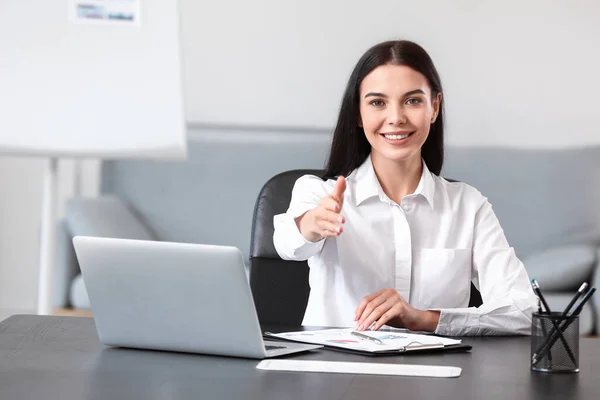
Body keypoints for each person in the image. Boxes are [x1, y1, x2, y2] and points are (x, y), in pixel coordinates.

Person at [273, 40, 538, 336]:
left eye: (412, 101)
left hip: (440, 375)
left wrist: (423, 319)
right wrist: (311, 224)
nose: (396, 117)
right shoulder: (319, 195)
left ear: (434, 107)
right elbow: (287, 243)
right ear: (358, 114)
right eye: (377, 102)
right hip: (337, 372)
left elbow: (525, 311)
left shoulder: (467, 205)